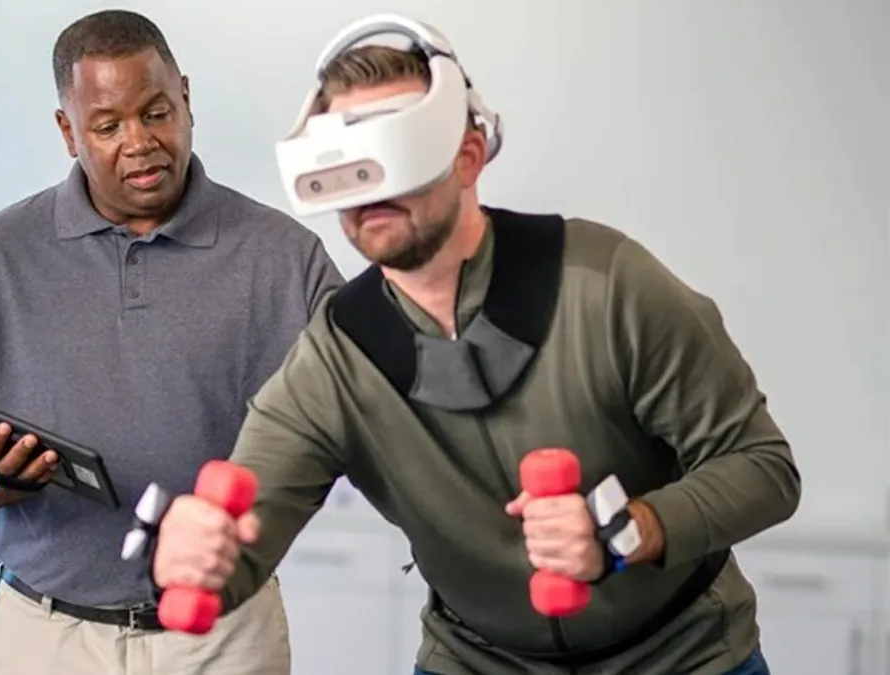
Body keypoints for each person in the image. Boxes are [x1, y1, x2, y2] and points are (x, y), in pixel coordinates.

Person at [149, 15, 800, 675]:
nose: (370, 189)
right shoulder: (337, 358)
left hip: (684, 655)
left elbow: (763, 467)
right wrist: (197, 556)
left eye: (393, 152)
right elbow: (241, 538)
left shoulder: (606, 285)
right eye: (348, 166)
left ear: (467, 155)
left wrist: (629, 529)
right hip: (478, 660)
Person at [0, 9, 344, 675]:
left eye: (156, 112)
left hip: (224, 635)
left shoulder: (285, 257)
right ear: (68, 132)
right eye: (108, 126)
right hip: (43, 633)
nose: (140, 142)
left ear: (186, 100)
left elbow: (364, 419)